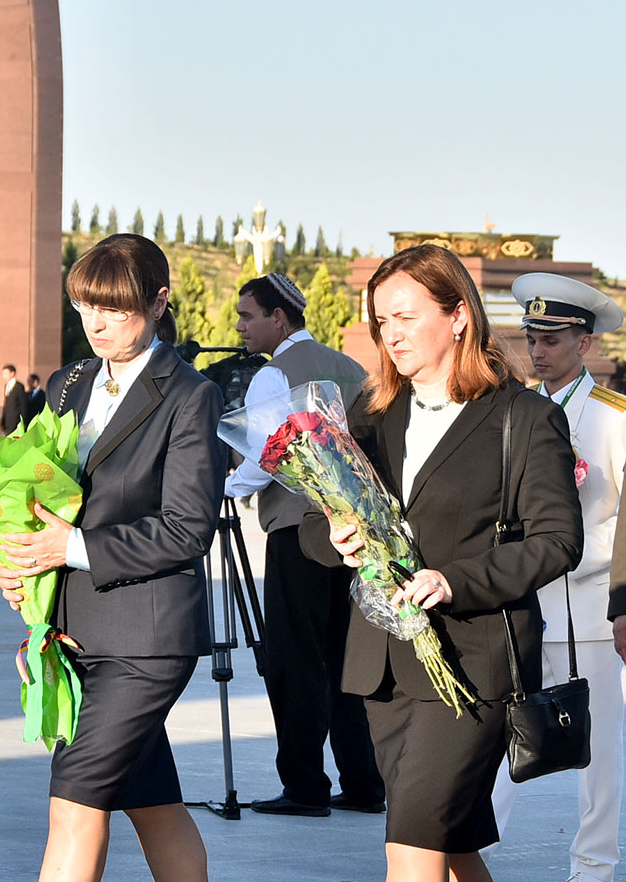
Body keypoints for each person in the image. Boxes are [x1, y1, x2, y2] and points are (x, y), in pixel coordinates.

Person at [299, 245, 583, 882]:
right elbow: (313, 528)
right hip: (384, 667)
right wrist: (336, 539)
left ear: (458, 316)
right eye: (381, 321)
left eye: (404, 315)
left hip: (472, 667)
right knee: (450, 848)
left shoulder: (525, 418)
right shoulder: (367, 416)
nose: (390, 333)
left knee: (411, 848)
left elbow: (557, 541)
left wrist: (454, 581)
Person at [0, 233, 225, 882]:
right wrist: (16, 556)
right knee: (154, 805)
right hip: (74, 632)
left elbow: (187, 528)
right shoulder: (69, 383)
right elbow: (33, 487)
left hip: (147, 641)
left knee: (73, 801)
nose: (95, 323)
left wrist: (68, 546)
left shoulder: (188, 396)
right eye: (85, 305)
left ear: (158, 302)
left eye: (114, 308)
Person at [225, 274, 384, 817]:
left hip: (300, 531)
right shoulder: (352, 368)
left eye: (248, 316)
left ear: (279, 318)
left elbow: (266, 456)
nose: (240, 326)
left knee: (297, 659)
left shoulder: (274, 375)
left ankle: (305, 785)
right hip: (358, 534)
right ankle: (364, 783)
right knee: (346, 657)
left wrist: (217, 490)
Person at [487, 273, 626, 882]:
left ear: (586, 343)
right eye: (532, 336)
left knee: (597, 751)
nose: (538, 350)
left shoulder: (613, 417)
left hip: (592, 605)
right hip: (522, 598)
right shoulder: (514, 412)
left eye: (553, 338)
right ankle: (471, 848)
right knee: (496, 734)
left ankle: (593, 864)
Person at [0, 363, 27, 434]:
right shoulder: (7, 386)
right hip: (7, 419)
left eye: (6, 373)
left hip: (15, 420)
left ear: (12, 373)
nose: (3, 376)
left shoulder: (19, 386)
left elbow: (23, 404)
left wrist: (23, 421)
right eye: (3, 374)